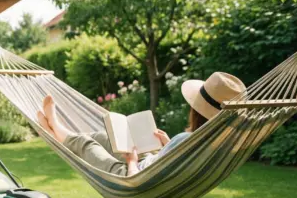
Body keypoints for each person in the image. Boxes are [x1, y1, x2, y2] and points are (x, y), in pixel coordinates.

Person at [37, 72, 246, 176]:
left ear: (196, 110)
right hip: (149, 163)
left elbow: (136, 182)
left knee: (87, 144)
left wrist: (131, 161)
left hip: (133, 177)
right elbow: (178, 165)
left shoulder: (188, 139)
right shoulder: (210, 144)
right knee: (104, 137)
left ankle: (54, 127)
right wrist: (168, 145)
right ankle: (57, 131)